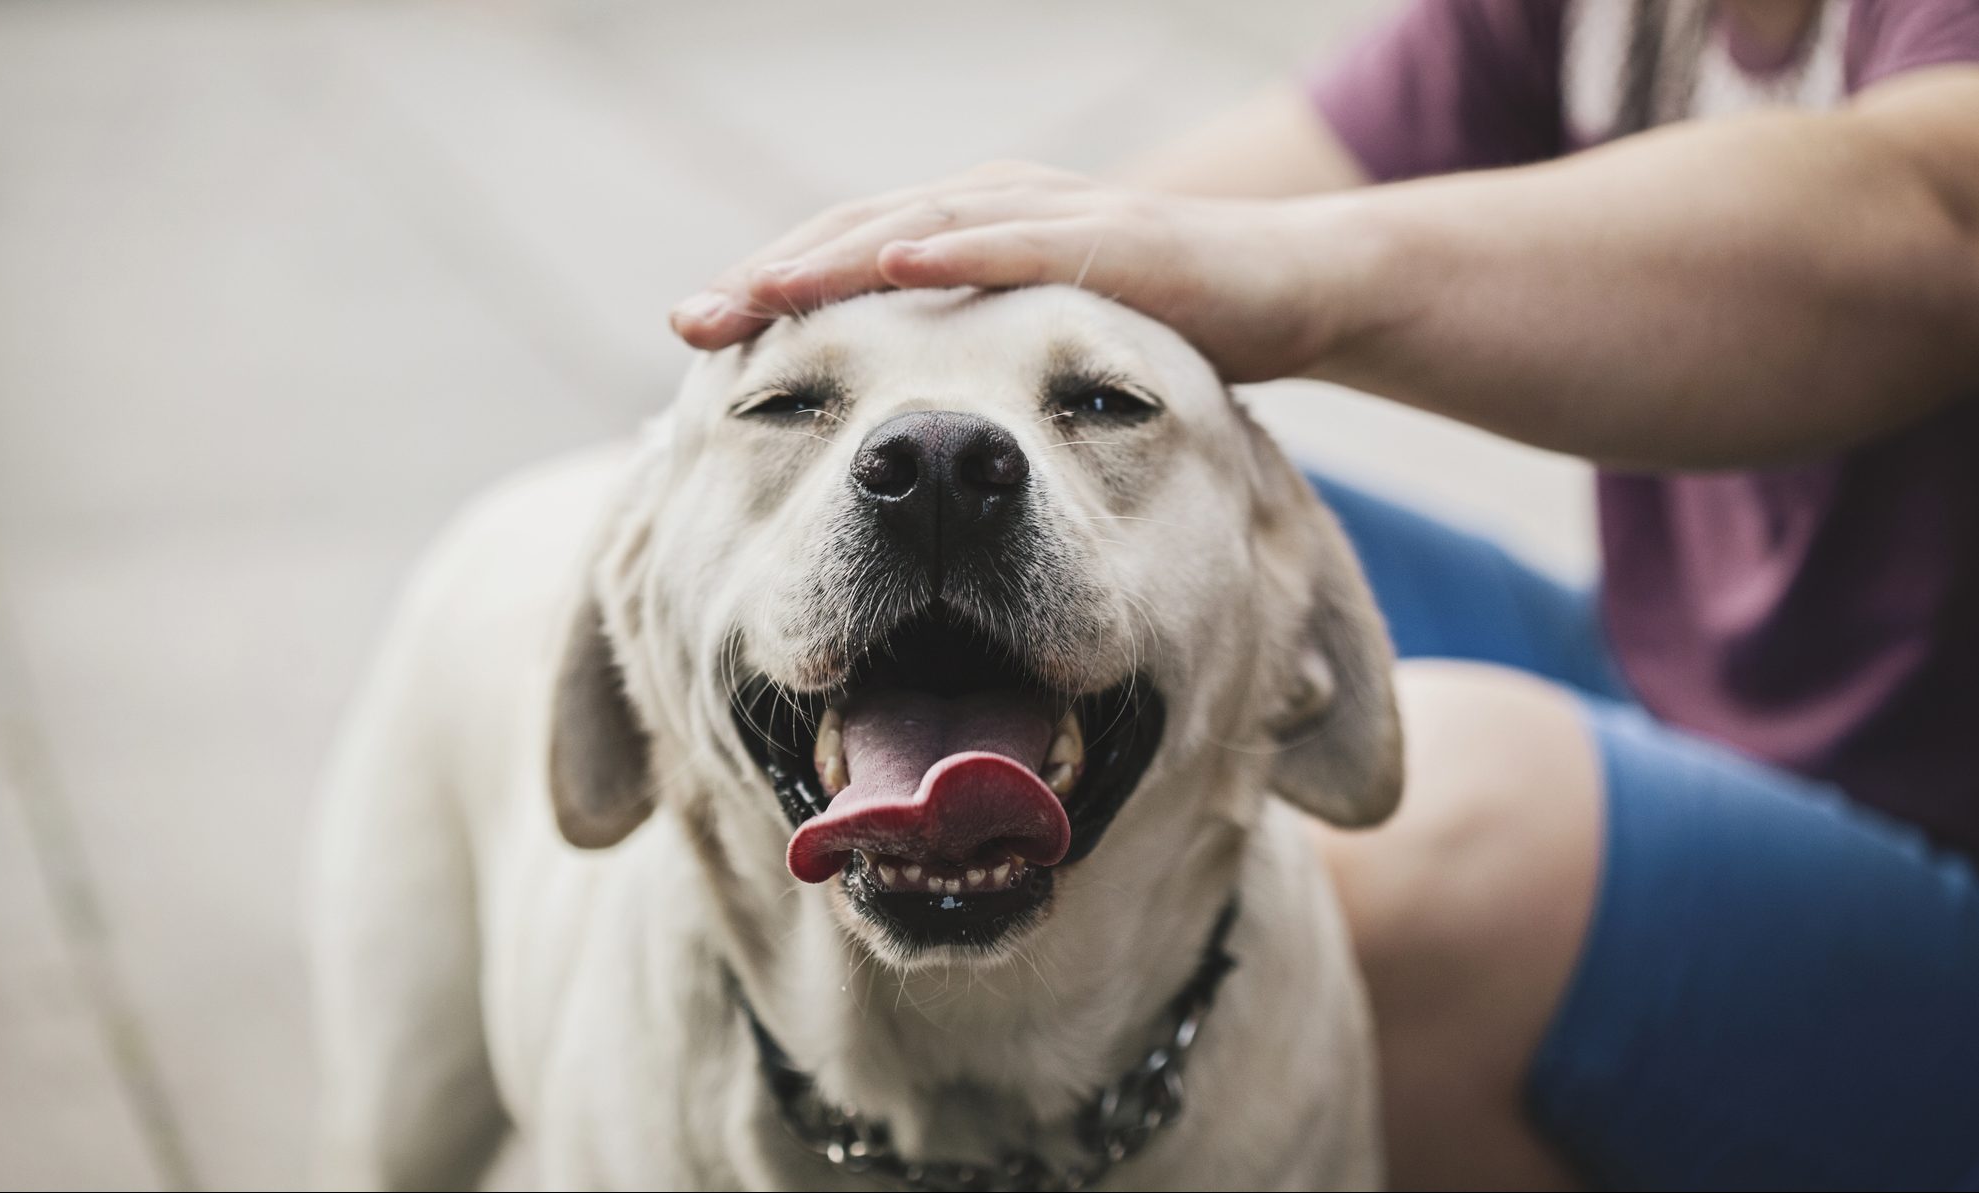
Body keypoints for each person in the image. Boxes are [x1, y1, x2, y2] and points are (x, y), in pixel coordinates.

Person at [668, 1, 1979, 1188]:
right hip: (1683, 683)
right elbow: (1122, 253)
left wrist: (1306, 279)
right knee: (1185, 514)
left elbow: (1937, 207)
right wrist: (808, 419)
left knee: (1430, 839)